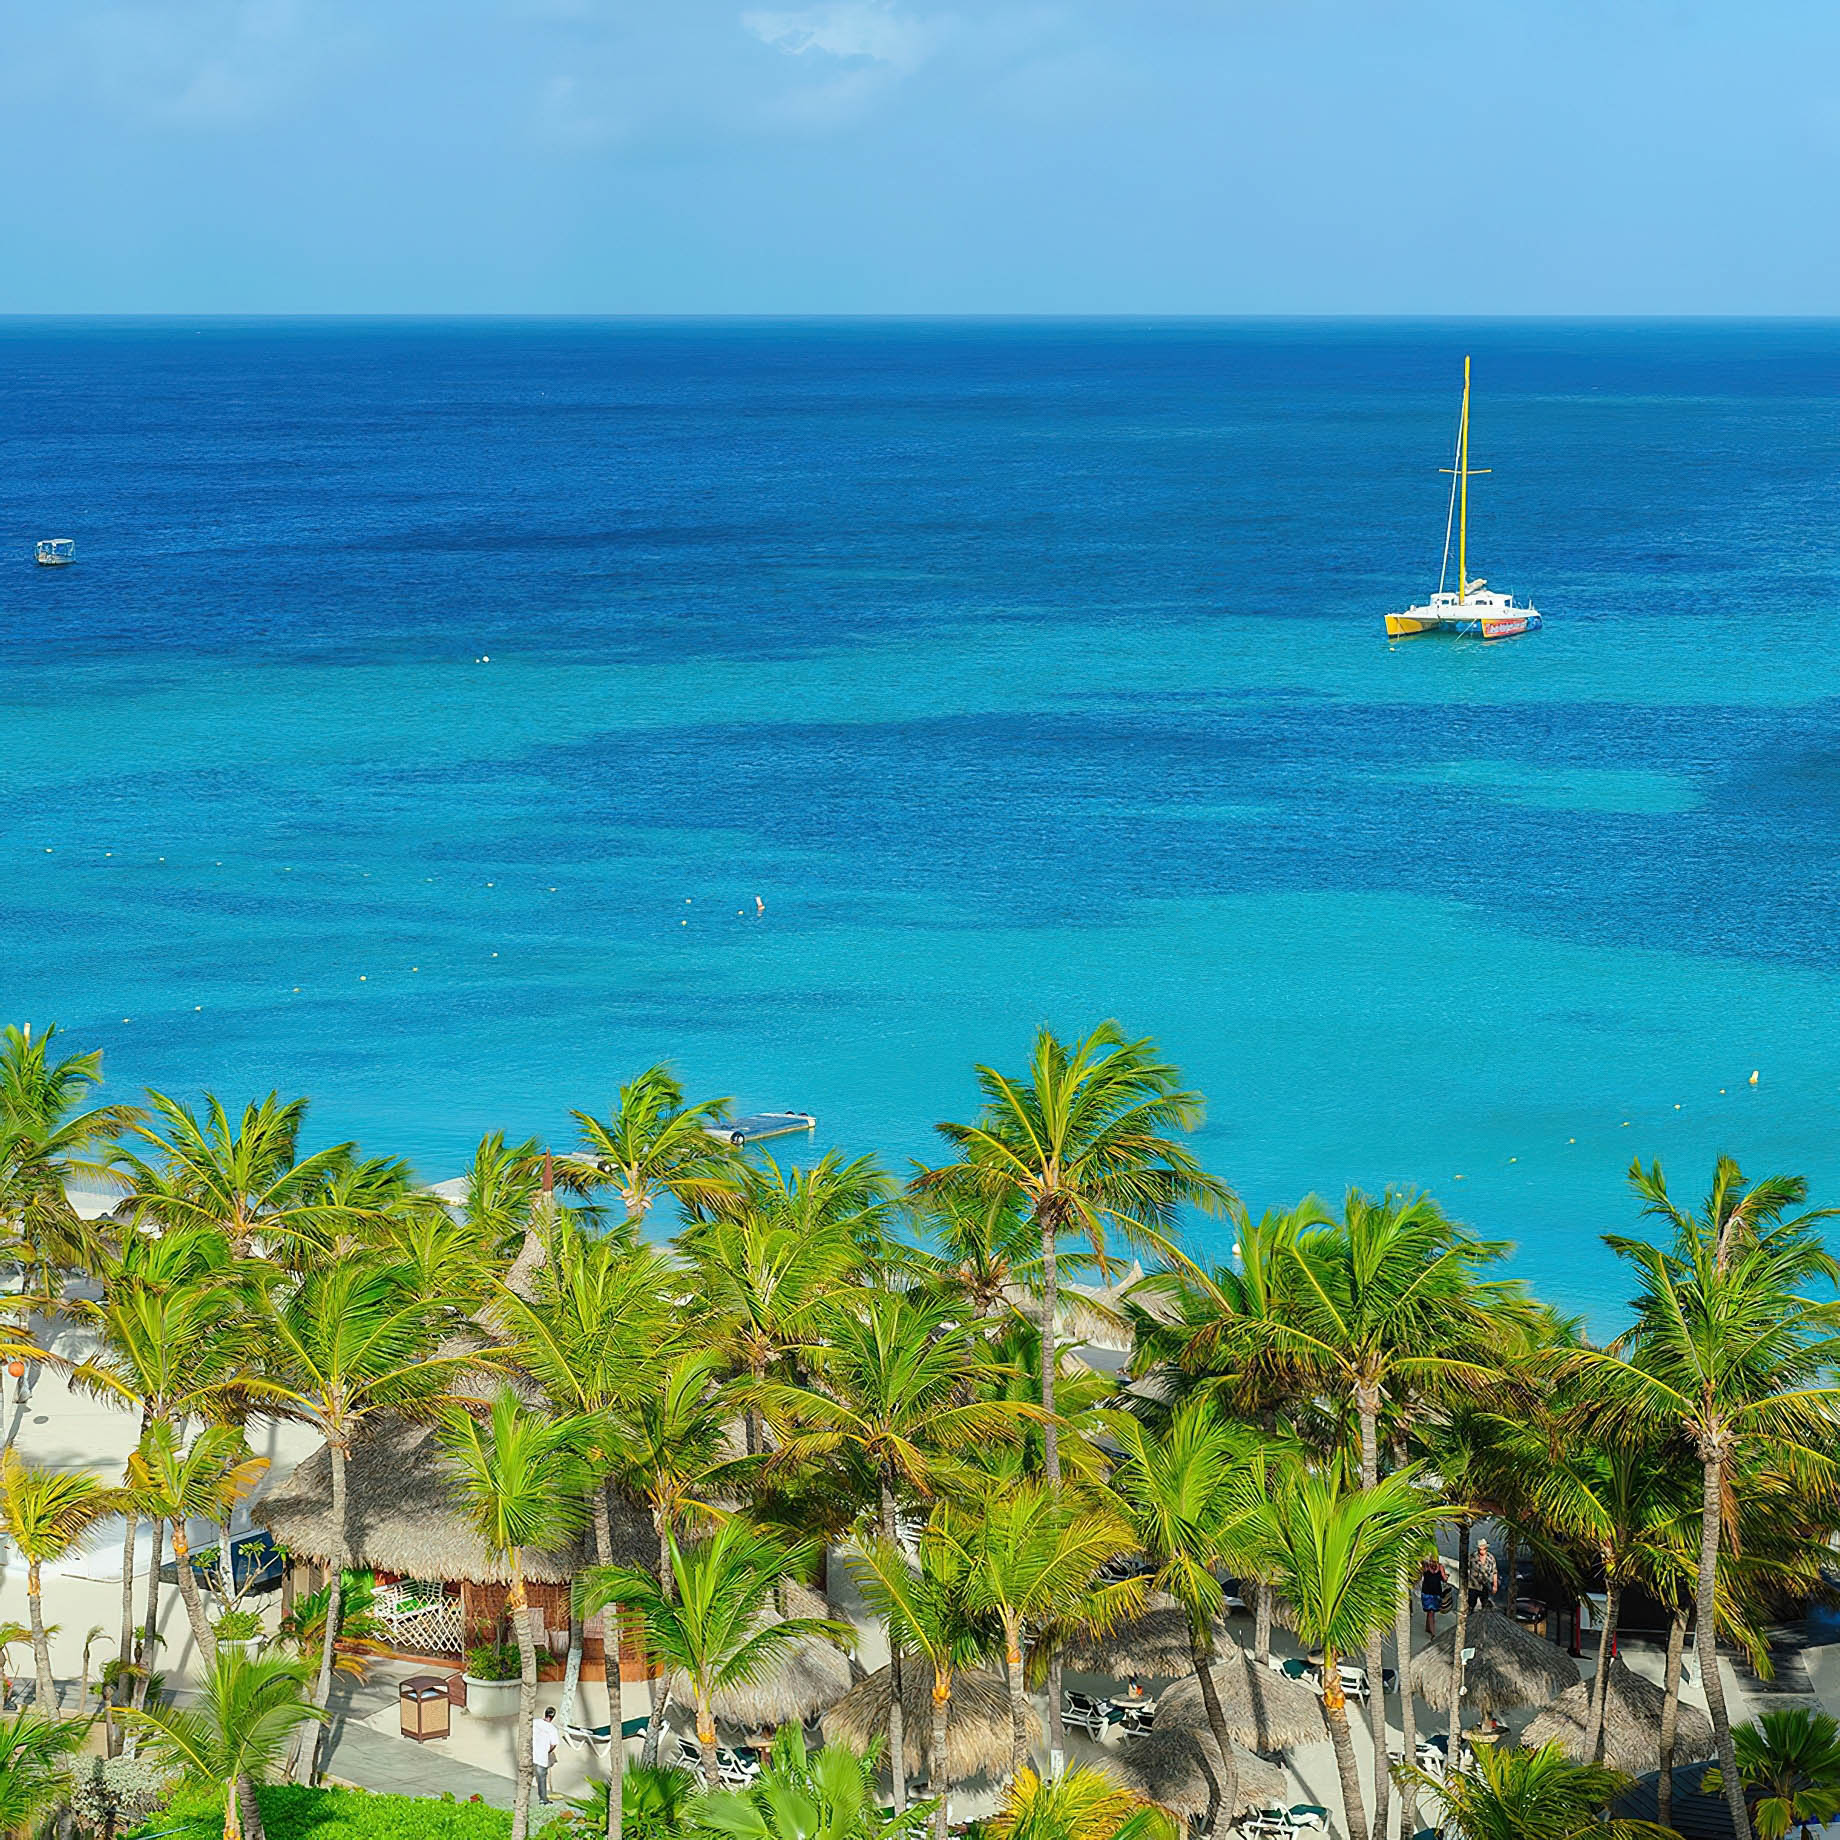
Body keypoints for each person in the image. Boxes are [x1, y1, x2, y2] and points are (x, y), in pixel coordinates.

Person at [532, 1706, 561, 1805]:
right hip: (541, 1758)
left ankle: (521, 1797)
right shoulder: (552, 1729)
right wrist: (547, 1751)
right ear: (553, 1717)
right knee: (541, 1779)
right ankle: (543, 1799)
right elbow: (554, 1744)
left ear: (545, 1713)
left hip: (530, 1754)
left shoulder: (535, 1722)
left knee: (526, 1775)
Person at [1420, 1550, 1448, 1635]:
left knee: (1431, 1612)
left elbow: (1444, 1579)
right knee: (1431, 1612)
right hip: (1427, 1593)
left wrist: (1445, 1576)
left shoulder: (1440, 1567)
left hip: (1436, 1593)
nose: (1433, 1563)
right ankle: (1433, 1633)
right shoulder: (1426, 1567)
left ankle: (1428, 1628)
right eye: (1432, 1561)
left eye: (1435, 1561)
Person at [1469, 1537, 1499, 1612]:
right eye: (1480, 1549)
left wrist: (1495, 1585)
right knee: (1470, 1605)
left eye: (1484, 1548)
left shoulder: (1491, 1558)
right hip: (1474, 1585)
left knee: (1485, 1605)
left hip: (1486, 1585)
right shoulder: (1472, 1557)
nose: (1482, 1551)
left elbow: (1494, 1571)